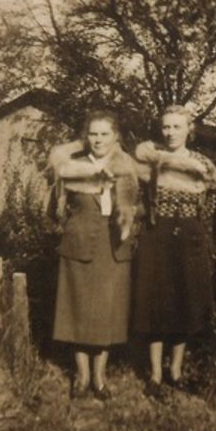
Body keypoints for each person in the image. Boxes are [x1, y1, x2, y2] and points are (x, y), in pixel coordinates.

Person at [133, 105, 216, 398]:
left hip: (190, 239)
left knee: (184, 303)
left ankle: (176, 371)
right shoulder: (150, 159)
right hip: (156, 236)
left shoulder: (203, 164)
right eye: (166, 127)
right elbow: (129, 189)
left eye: (177, 127)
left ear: (189, 130)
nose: (170, 133)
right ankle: (155, 374)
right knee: (155, 303)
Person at [47, 110, 139, 400]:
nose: (98, 139)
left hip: (113, 248)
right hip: (79, 244)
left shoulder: (128, 168)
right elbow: (54, 208)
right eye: (93, 134)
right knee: (78, 310)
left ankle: (99, 377)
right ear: (85, 137)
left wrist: (128, 221)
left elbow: (140, 207)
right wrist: (71, 225)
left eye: (104, 134)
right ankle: (82, 375)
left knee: (107, 313)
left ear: (116, 137)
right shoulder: (72, 167)